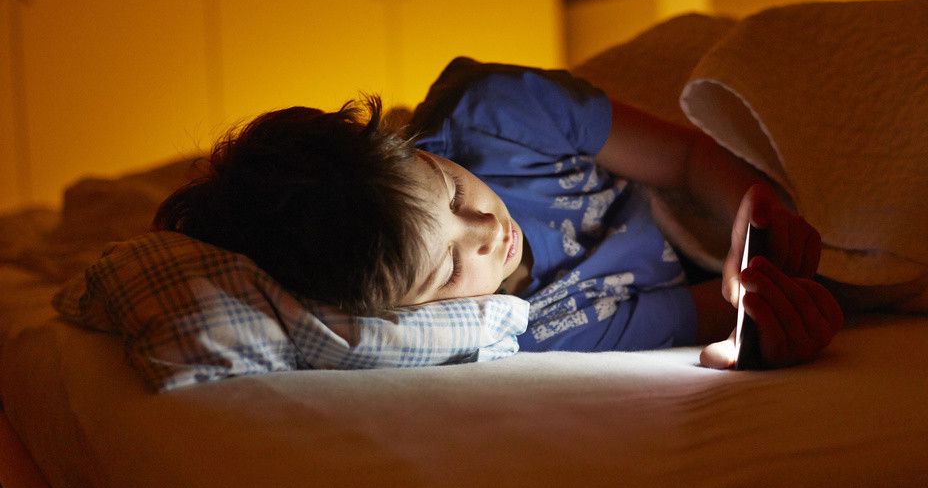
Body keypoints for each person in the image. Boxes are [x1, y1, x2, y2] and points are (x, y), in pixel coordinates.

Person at [155, 58, 842, 369]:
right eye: (450, 263)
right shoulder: (534, 333)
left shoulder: (496, 110)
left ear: (403, 144)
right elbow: (706, 311)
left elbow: (689, 156)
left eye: (453, 193)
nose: (487, 230)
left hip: (698, 170)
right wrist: (751, 305)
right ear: (410, 311)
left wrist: (756, 208)